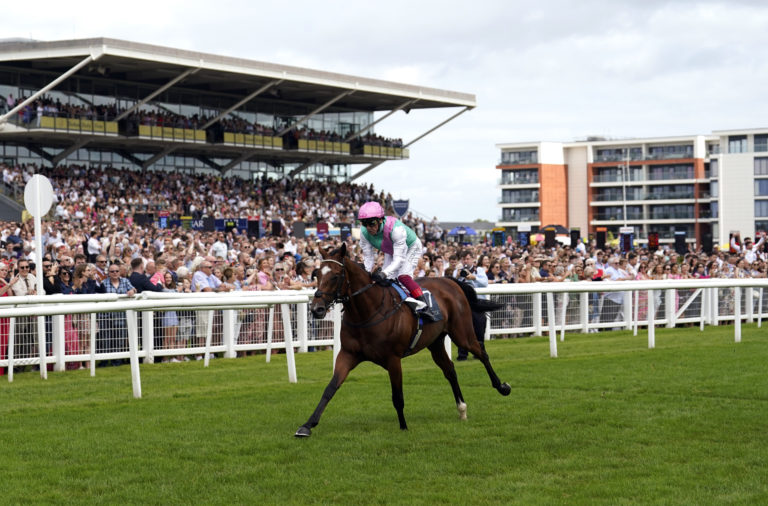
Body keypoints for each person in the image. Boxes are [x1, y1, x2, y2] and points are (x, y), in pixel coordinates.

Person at [357, 201, 439, 321]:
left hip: (411, 247)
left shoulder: (396, 230)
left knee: (403, 276)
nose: (368, 227)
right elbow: (368, 258)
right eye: (364, 223)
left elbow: (399, 259)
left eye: (371, 223)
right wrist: (367, 274)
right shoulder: (364, 233)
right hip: (391, 250)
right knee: (386, 281)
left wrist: (384, 272)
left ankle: (426, 306)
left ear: (380, 220)